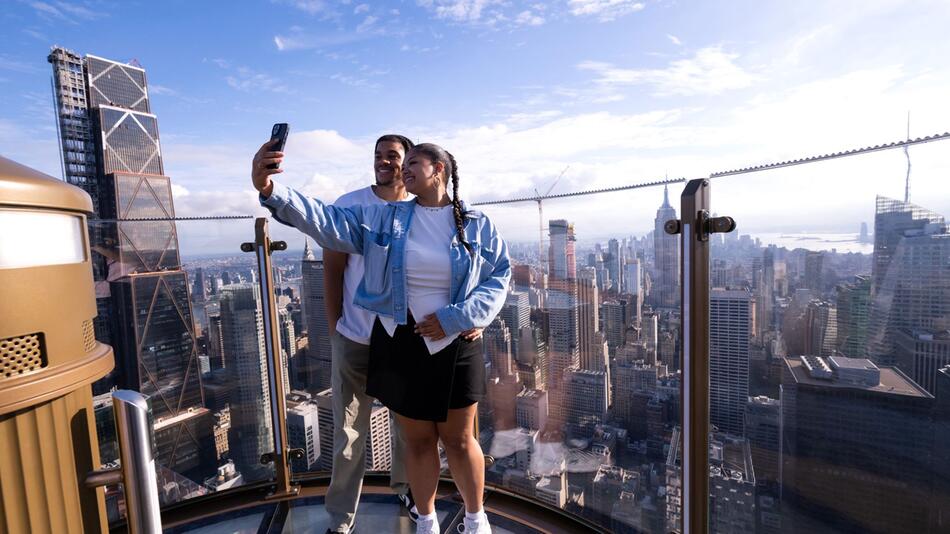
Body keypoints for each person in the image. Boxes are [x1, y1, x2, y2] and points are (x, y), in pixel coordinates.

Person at [252, 141, 510, 534]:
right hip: (402, 342)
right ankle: (426, 521)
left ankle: (476, 521)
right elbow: (327, 222)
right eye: (402, 164)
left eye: (414, 163)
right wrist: (272, 190)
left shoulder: (475, 222)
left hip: (455, 343)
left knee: (458, 441)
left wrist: (460, 317)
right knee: (419, 443)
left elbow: (499, 276)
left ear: (439, 169)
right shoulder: (387, 219)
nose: (404, 169)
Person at [321, 134, 415, 534]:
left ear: (408, 162)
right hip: (355, 335)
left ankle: (409, 491)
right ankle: (341, 517)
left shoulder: (423, 208)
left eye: (392, 156)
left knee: (409, 426)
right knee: (347, 432)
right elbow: (332, 269)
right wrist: (335, 330)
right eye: (378, 156)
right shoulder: (349, 204)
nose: (383, 163)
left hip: (404, 338)